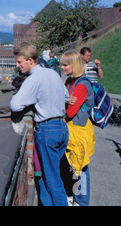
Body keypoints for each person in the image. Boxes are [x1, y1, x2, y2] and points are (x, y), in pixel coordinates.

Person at [10, 44, 70, 206]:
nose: (17, 65)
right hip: (62, 128)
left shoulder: (33, 79)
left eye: (20, 62)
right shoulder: (52, 73)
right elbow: (66, 97)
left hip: (47, 130)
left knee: (52, 180)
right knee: (45, 176)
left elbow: (15, 105)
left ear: (30, 60)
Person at [60, 50, 96, 206]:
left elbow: (69, 112)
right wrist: (67, 101)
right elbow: (65, 104)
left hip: (79, 130)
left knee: (79, 168)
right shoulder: (69, 82)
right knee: (70, 165)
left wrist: (65, 102)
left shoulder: (82, 84)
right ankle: (72, 196)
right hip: (71, 129)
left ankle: (81, 201)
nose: (62, 67)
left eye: (65, 65)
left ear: (74, 65)